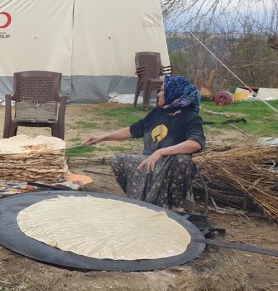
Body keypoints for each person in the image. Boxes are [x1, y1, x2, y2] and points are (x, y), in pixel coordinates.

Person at [84, 75, 206, 209]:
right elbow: (132, 130)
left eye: (162, 90)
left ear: (174, 93)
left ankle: (175, 206)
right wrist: (101, 137)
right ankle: (140, 201)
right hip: (149, 160)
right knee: (118, 160)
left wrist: (161, 152)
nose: (158, 94)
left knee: (183, 161)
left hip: (169, 165)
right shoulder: (158, 113)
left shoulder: (190, 118)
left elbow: (196, 143)